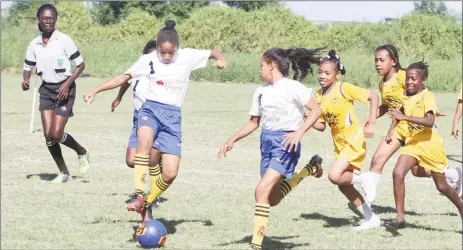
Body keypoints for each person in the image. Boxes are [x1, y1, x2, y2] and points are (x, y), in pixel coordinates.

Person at [118, 21, 227, 222]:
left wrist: (220, 59)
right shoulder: (148, 60)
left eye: (171, 52)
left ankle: (148, 202)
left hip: (173, 116)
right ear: (158, 48)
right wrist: (95, 90)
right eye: (163, 52)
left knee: (170, 173)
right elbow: (123, 77)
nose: (167, 56)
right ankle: (139, 195)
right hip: (150, 110)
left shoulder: (188, 56)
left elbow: (213, 52)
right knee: (143, 147)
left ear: (177, 48)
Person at [218, 47, 324, 250]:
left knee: (261, 190)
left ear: (272, 65)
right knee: (271, 199)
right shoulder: (260, 91)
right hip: (266, 144)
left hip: (286, 144)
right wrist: (232, 139)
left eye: (261, 65)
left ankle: (256, 245)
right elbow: (253, 122)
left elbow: (316, 110)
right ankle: (308, 170)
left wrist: (299, 132)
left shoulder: (293, 87)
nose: (259, 70)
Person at [360, 44, 459, 203]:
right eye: (375, 60)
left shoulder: (403, 76)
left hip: (415, 130)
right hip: (399, 128)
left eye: (381, 60)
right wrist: (367, 120)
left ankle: (451, 174)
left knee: (417, 171)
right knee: (380, 159)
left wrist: (429, 111)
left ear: (393, 61)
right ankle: (368, 204)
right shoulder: (382, 83)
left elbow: (419, 93)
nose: (377, 64)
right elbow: (387, 106)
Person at [83, 40, 162, 214]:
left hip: (155, 121)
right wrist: (118, 97)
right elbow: (125, 81)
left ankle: (150, 196)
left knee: (152, 159)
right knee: (130, 160)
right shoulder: (138, 71)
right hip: (138, 120)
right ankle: (154, 172)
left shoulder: (161, 76)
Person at [383, 61, 463, 229]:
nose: (409, 82)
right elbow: (401, 112)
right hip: (413, 143)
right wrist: (391, 129)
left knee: (441, 186)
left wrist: (404, 118)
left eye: (413, 79)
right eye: (407, 78)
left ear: (423, 81)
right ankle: (400, 219)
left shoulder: (427, 96)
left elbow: (429, 120)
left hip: (430, 145)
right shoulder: (405, 94)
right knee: (398, 173)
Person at [312, 50, 381, 230]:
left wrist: (371, 123)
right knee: (343, 184)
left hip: (354, 137)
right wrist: (307, 117)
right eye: (320, 72)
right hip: (339, 143)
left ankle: (364, 179)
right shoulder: (317, 96)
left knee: (334, 176)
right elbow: (321, 126)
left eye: (327, 73)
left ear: (337, 74)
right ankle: (371, 217)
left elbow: (373, 96)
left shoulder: (344, 88)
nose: (322, 76)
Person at [22, 4, 90, 183]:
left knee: (57, 134)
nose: (48, 21)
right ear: (39, 19)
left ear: (55, 19)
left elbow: (81, 65)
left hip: (64, 89)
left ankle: (82, 151)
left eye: (51, 18)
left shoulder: (64, 40)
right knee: (48, 136)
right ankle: (64, 172)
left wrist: (68, 83)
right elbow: (27, 65)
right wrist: (26, 79)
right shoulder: (34, 44)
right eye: (44, 18)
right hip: (46, 90)